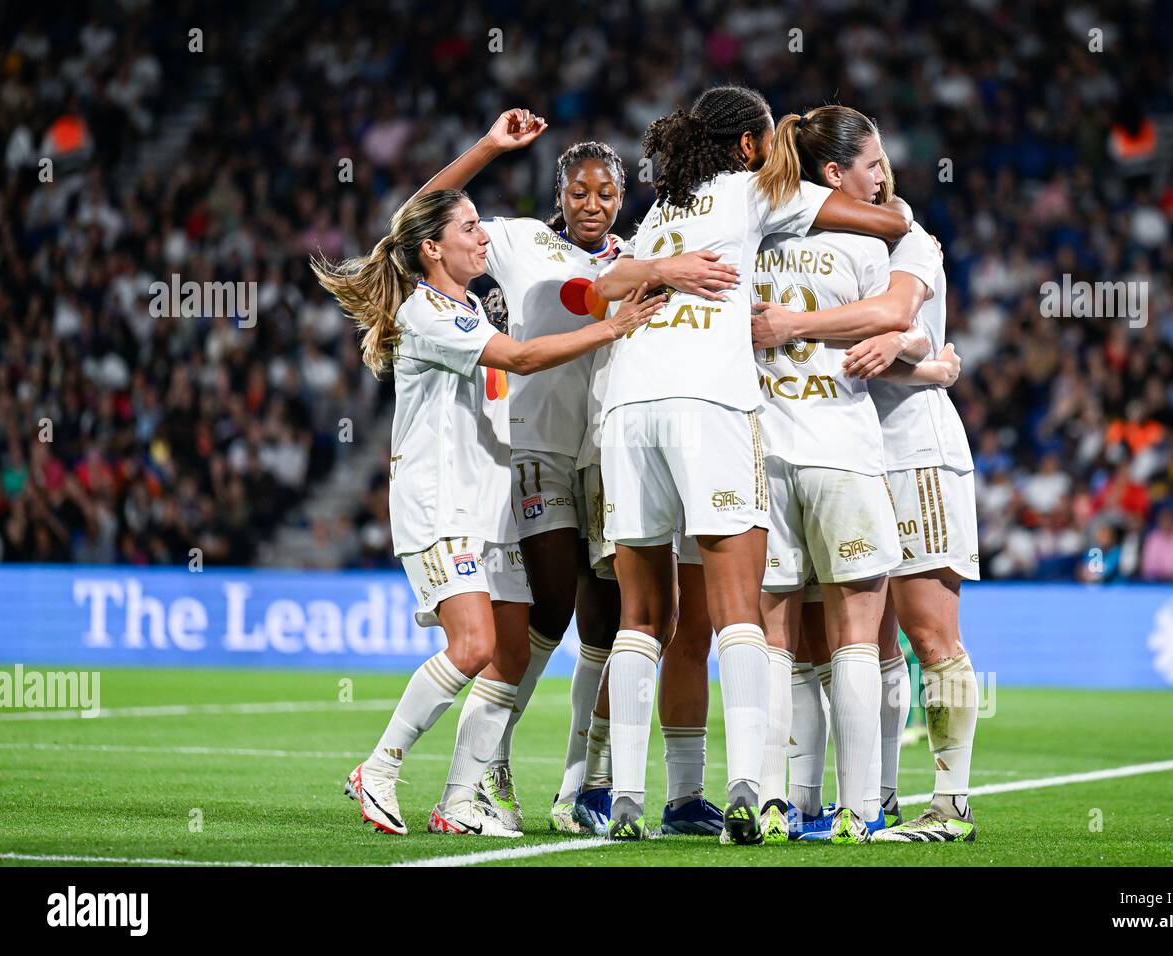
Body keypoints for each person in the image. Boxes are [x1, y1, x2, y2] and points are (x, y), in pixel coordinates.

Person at [592, 85, 912, 843]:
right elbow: (888, 221)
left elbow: (604, 287)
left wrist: (664, 272)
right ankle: (748, 788)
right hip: (710, 407)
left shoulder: (663, 211)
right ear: (749, 145)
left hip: (630, 412)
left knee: (642, 617)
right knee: (739, 608)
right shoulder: (757, 189)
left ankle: (626, 797)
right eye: (770, 138)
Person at [313, 187, 662, 837]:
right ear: (432, 248)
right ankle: (380, 768)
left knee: (507, 655)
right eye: (470, 228)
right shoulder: (428, 314)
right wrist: (612, 326)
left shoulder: (469, 305)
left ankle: (460, 800)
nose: (483, 237)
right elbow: (523, 358)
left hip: (484, 506)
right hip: (438, 505)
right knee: (472, 644)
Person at [416, 109, 725, 834]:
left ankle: (580, 788)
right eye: (580, 192)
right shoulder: (522, 240)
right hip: (533, 451)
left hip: (610, 457)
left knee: (609, 628)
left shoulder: (639, 249)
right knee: (546, 612)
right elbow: (424, 217)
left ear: (623, 197)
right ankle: (487, 767)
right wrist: (488, 146)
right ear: (561, 191)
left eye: (606, 194)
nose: (592, 205)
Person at [759, 124, 982, 842]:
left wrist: (809, 327)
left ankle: (952, 801)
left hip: (913, 448)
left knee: (929, 632)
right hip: (837, 451)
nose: (886, 178)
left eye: (886, 164)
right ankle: (875, 798)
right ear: (834, 173)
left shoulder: (911, 237)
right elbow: (883, 338)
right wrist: (905, 352)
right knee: (861, 644)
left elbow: (895, 316)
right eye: (874, 165)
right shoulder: (786, 234)